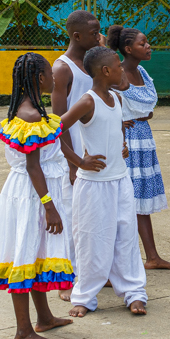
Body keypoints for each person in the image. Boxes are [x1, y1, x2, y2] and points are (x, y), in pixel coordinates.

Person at [0, 53, 74, 339]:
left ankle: (44, 316)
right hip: (33, 196)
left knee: (35, 252)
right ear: (39, 79)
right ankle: (23, 332)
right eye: (50, 73)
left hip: (32, 191)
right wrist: (50, 207)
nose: (54, 78)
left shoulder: (32, 109)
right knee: (24, 252)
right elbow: (33, 166)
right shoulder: (30, 116)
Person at [59, 46, 148, 317]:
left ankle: (134, 292)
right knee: (91, 240)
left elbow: (116, 125)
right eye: (118, 66)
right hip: (93, 185)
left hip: (120, 181)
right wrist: (78, 161)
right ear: (105, 71)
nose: (122, 69)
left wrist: (121, 144)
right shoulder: (87, 101)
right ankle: (85, 297)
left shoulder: (116, 99)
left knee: (126, 237)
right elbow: (54, 131)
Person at [108, 25, 170, 271]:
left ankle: (152, 256)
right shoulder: (117, 75)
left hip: (143, 138)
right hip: (126, 140)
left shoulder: (143, 71)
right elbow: (114, 104)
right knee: (125, 200)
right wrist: (124, 116)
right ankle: (119, 261)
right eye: (143, 43)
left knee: (139, 200)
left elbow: (149, 103)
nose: (148, 46)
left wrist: (138, 111)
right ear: (128, 49)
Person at [50, 10, 100, 301]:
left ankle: (91, 272)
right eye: (93, 33)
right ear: (76, 36)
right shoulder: (63, 68)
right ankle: (66, 280)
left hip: (94, 155)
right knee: (71, 218)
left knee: (92, 217)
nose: (98, 36)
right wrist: (72, 162)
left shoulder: (93, 64)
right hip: (72, 158)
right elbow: (59, 122)